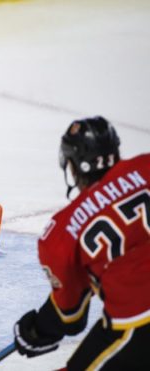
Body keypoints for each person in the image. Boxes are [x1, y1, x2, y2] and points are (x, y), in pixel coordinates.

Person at [13, 116, 150, 370]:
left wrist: (38, 329)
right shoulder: (146, 165)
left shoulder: (63, 231)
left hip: (139, 319)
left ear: (73, 166)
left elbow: (71, 315)